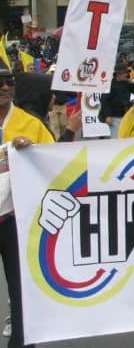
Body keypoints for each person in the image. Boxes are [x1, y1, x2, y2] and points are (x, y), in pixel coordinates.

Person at [0, 64, 55, 348]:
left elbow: (56, 166)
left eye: (9, 81)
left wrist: (32, 152)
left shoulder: (31, 124)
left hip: (16, 222)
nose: (4, 87)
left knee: (23, 293)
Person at [99, 63, 134, 136]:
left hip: (125, 115)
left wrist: (132, 83)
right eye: (125, 73)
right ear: (118, 74)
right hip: (114, 116)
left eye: (126, 73)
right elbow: (104, 100)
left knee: (124, 137)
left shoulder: (127, 83)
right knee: (116, 137)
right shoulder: (110, 84)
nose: (127, 75)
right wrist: (108, 115)